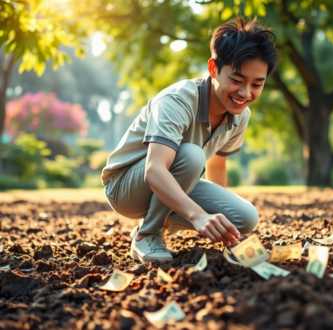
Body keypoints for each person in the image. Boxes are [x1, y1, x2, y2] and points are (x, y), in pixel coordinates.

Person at [101, 16, 280, 263]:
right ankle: (147, 234)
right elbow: (154, 171)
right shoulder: (177, 101)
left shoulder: (241, 115)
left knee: (245, 218)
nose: (245, 93)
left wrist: (223, 228)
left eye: (257, 84)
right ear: (213, 68)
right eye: (237, 81)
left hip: (176, 179)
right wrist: (197, 215)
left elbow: (217, 166)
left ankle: (162, 218)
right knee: (192, 155)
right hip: (126, 188)